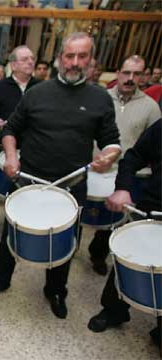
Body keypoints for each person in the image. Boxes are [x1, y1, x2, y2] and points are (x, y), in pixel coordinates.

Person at [0, 32, 121, 319]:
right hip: (29, 182)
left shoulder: (100, 98)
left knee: (65, 243)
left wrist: (109, 156)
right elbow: (10, 130)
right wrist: (9, 155)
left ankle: (56, 290)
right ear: (60, 59)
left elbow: (111, 140)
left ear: (91, 60)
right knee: (11, 235)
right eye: (69, 56)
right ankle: (0, 279)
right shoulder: (37, 92)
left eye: (82, 56)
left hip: (72, 188)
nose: (75, 62)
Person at [87, 119, 161, 351]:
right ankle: (113, 311)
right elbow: (133, 156)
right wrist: (123, 188)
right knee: (128, 257)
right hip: (154, 204)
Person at [87, 55, 160, 275]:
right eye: (126, 72)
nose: (130, 78)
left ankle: (98, 255)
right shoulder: (99, 98)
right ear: (117, 73)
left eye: (136, 74)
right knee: (79, 212)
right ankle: (68, 252)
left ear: (143, 76)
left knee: (114, 220)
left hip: (126, 175)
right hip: (93, 168)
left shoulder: (151, 107)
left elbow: (152, 149)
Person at [0, 46, 40, 226]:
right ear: (13, 65)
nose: (30, 62)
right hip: (0, 146)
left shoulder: (41, 88)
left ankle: (18, 222)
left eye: (32, 58)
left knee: (23, 191)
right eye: (24, 59)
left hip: (30, 148)